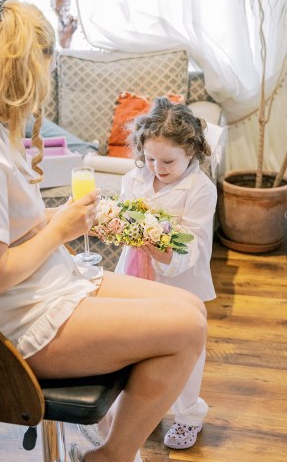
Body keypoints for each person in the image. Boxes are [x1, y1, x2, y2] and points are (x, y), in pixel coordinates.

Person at [0, 0, 207, 462]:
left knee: (190, 307)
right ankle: (113, 455)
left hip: (38, 290)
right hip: (11, 325)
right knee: (185, 330)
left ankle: (111, 444)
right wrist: (59, 228)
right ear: (27, 67)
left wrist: (52, 217)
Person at [113, 96, 217, 451]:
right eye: (151, 158)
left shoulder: (200, 189)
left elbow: (196, 246)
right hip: (135, 277)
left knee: (184, 352)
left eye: (168, 161)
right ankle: (147, 404)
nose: (157, 167)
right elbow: (126, 217)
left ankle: (189, 415)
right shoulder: (136, 177)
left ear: (192, 152)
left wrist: (159, 247)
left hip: (179, 285)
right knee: (138, 344)